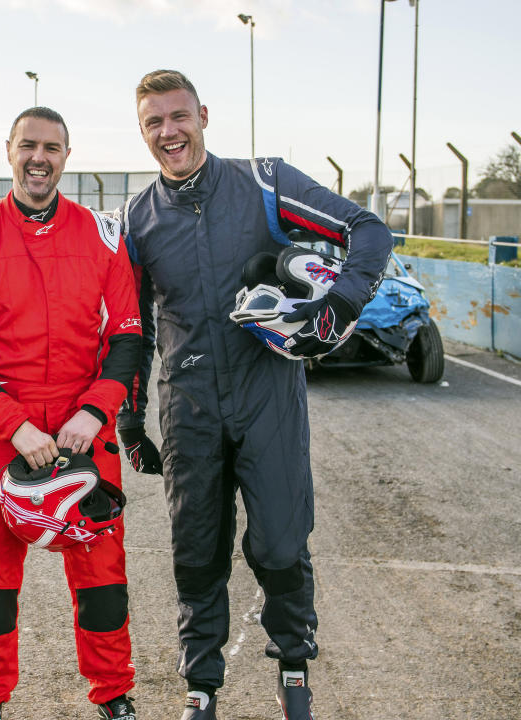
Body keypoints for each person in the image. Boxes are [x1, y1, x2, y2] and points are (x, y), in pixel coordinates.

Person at [115, 70, 393, 720]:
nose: (168, 132)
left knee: (278, 543)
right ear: (142, 132)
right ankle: (201, 687)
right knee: (197, 551)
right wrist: (131, 419)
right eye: (153, 122)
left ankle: (294, 668)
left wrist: (339, 306)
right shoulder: (135, 218)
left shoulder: (265, 183)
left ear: (204, 115)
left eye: (178, 116)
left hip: (268, 398)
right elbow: (133, 323)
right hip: (189, 408)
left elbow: (368, 231)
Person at [0, 107, 143, 720]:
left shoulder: (104, 234)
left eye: (51, 147)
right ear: (8, 151)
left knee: (103, 578)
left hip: (84, 428)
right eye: (28, 146)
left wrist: (97, 412)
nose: (39, 158)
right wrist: (16, 425)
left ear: (66, 156)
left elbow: (127, 336)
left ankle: (114, 695)